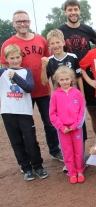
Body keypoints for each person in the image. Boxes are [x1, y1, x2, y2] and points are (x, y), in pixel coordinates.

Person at [0, 10, 62, 161]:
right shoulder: (8, 44)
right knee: (24, 128)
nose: (22, 24)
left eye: (25, 21)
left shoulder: (40, 40)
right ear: (13, 23)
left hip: (43, 89)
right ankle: (29, 158)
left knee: (50, 123)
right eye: (19, 21)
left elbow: (48, 62)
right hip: (20, 93)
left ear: (29, 22)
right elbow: (4, 69)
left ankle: (54, 150)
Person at [0, 45, 48, 181]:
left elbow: (29, 88)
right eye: (11, 58)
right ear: (6, 59)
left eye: (17, 57)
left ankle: (38, 166)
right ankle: (26, 168)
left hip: (24, 112)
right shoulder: (2, 72)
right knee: (16, 141)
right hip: (8, 112)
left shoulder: (26, 72)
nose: (15, 60)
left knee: (31, 140)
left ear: (21, 57)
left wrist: (15, 76)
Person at [58, 0, 96, 136]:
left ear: (79, 11)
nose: (73, 12)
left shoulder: (87, 30)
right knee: (72, 112)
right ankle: (78, 143)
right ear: (65, 12)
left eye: (75, 9)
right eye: (70, 10)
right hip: (69, 77)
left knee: (94, 110)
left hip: (88, 75)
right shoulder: (60, 31)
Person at [49, 66, 86, 184]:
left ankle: (80, 171)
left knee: (79, 150)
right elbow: (52, 114)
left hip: (76, 128)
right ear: (57, 81)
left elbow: (82, 111)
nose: (64, 82)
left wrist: (76, 125)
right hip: (63, 129)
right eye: (62, 80)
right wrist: (62, 127)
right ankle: (72, 172)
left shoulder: (77, 93)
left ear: (71, 79)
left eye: (67, 79)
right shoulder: (55, 95)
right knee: (67, 151)